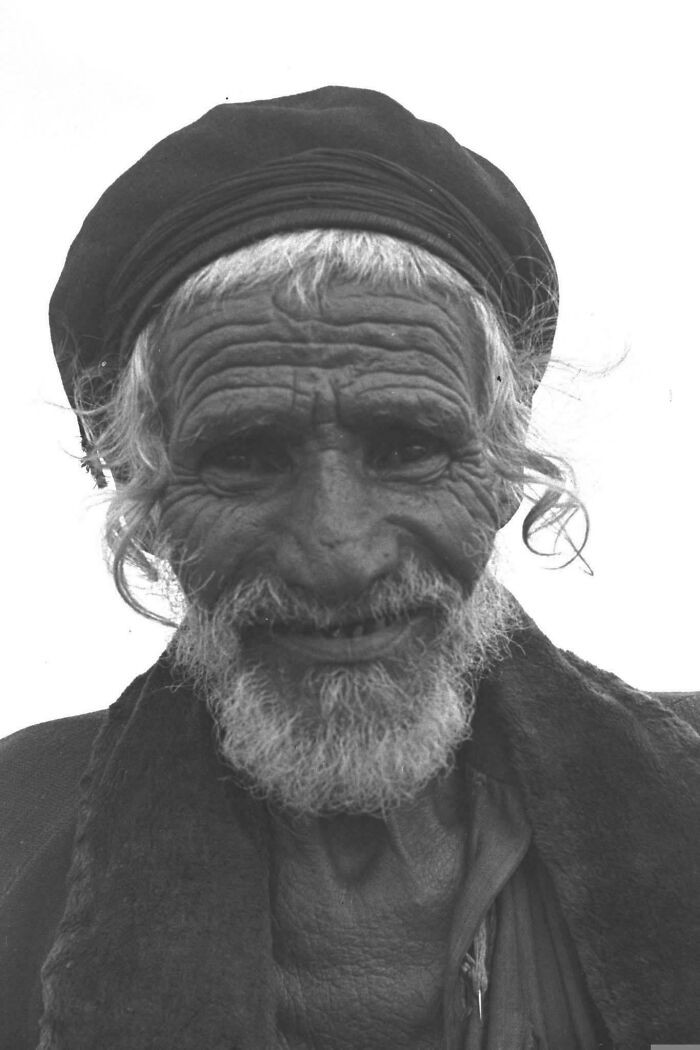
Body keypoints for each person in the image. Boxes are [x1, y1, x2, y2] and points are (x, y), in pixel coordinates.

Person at [0, 87, 698, 1050]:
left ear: (507, 473)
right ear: (144, 498)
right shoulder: (15, 832)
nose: (339, 553)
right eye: (244, 456)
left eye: (409, 446)